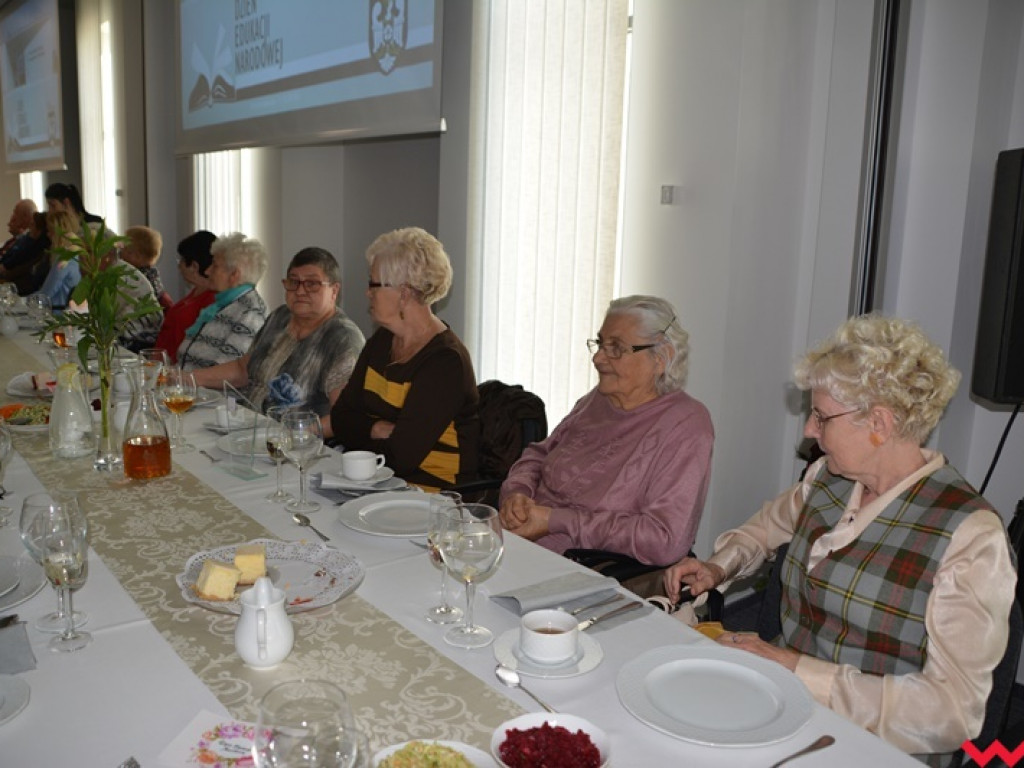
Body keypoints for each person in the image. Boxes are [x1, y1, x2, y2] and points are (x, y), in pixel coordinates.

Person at [662, 314, 1014, 765]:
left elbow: (951, 713)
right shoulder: (827, 479)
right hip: (788, 710)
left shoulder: (970, 534)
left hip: (878, 748)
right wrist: (718, 566)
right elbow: (764, 530)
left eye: (822, 416)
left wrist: (796, 670)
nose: (809, 430)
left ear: (880, 424)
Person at [499, 296, 714, 567]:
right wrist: (517, 495)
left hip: (580, 567)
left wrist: (553, 521)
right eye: (600, 344)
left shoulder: (687, 424)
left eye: (616, 348)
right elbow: (539, 455)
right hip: (517, 543)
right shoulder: (598, 399)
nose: (598, 358)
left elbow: (664, 540)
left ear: (661, 358)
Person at [329, 227, 479, 490]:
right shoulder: (382, 341)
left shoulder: (445, 362)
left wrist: (361, 431)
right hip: (380, 482)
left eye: (373, 283)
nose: (367, 292)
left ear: (404, 293)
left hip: (433, 495)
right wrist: (375, 428)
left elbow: (402, 458)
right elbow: (341, 417)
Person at [192, 246, 364, 415]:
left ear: (334, 291)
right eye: (293, 282)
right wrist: (186, 378)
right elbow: (243, 369)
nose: (300, 291)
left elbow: (344, 416)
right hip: (247, 427)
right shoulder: (280, 316)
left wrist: (294, 432)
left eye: (312, 284)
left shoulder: (343, 339)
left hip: (300, 438)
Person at [177, 232, 268, 369]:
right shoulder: (224, 304)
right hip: (188, 386)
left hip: (207, 390)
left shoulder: (250, 312)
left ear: (234, 274)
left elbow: (227, 371)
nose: (207, 271)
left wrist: (182, 379)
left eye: (214, 265)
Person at [154, 230, 216, 362]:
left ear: (194, 266)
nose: (179, 266)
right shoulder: (196, 292)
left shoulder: (212, 300)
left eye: (181, 260)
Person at [37, 209, 83, 308]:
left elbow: (46, 295)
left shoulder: (64, 260)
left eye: (49, 231)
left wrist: (22, 301)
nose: (47, 235)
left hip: (57, 315)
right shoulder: (79, 255)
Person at [121, 226, 172, 309]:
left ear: (138, 256)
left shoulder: (140, 278)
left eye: (126, 250)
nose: (121, 253)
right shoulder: (152, 272)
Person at [0, 211, 49, 295]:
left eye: (33, 224)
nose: (29, 227)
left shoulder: (36, 249)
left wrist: (5, 270)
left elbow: (18, 263)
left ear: (39, 230)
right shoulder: (26, 240)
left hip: (18, 288)